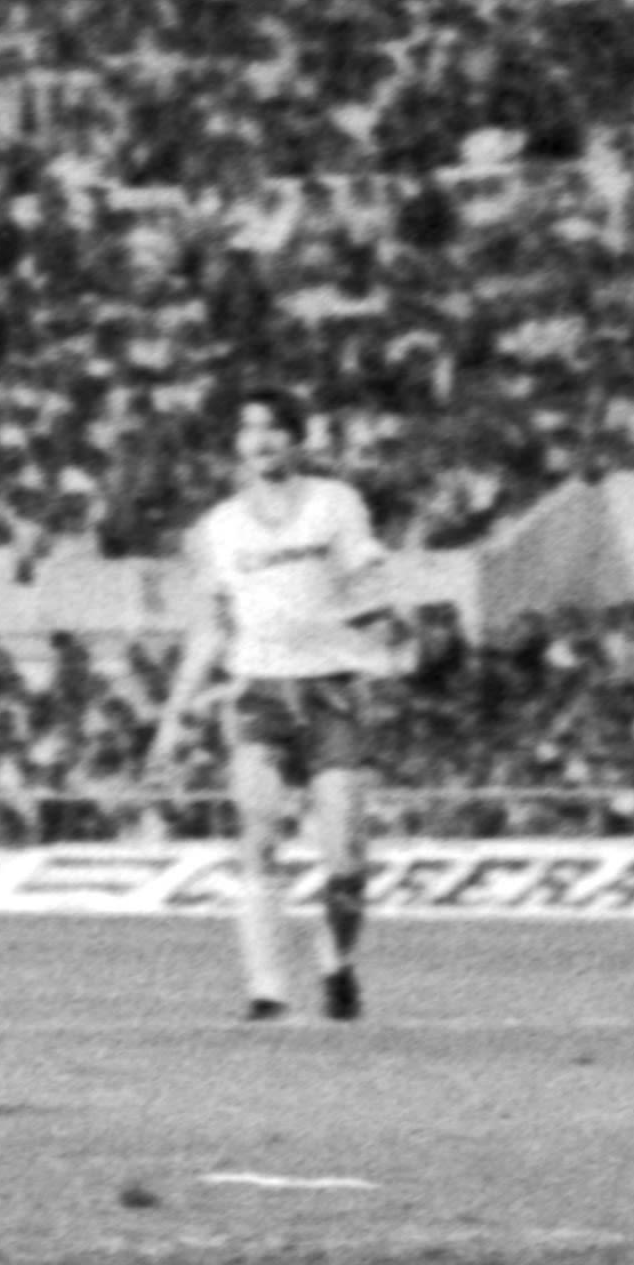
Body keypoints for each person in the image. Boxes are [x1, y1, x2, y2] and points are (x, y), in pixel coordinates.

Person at [147, 396, 401, 1022]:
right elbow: (211, 628)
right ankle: (268, 992)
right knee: (258, 837)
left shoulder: (334, 503)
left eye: (273, 428)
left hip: (331, 690)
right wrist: (173, 716)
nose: (260, 440)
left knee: (346, 858)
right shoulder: (218, 527)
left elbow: (371, 589)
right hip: (258, 691)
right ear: (237, 444)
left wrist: (382, 652)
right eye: (248, 429)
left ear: (297, 439)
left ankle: (336, 963)